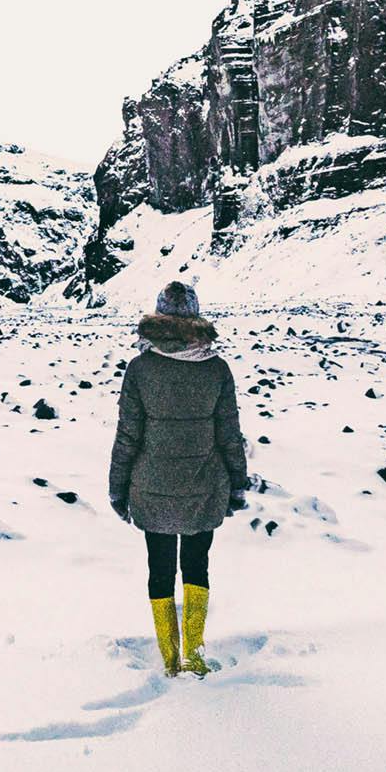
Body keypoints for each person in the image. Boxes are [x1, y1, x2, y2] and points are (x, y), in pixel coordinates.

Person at [107, 280, 246, 677]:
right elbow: (229, 433)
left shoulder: (140, 369)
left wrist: (118, 488)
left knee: (160, 567)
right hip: (205, 485)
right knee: (198, 565)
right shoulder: (217, 369)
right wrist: (237, 483)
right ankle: (194, 653)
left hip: (152, 487)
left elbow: (128, 434)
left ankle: (170, 657)